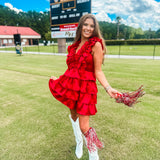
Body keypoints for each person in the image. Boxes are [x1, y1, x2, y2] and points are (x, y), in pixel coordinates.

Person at [49, 14, 121, 160]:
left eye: (92, 26)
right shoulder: (74, 46)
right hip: (71, 87)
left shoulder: (96, 45)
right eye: (86, 25)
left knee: (84, 126)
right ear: (80, 26)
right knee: (73, 115)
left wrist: (108, 88)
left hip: (86, 89)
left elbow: (98, 71)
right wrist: (60, 80)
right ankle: (78, 142)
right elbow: (72, 69)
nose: (88, 28)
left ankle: (94, 155)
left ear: (95, 29)